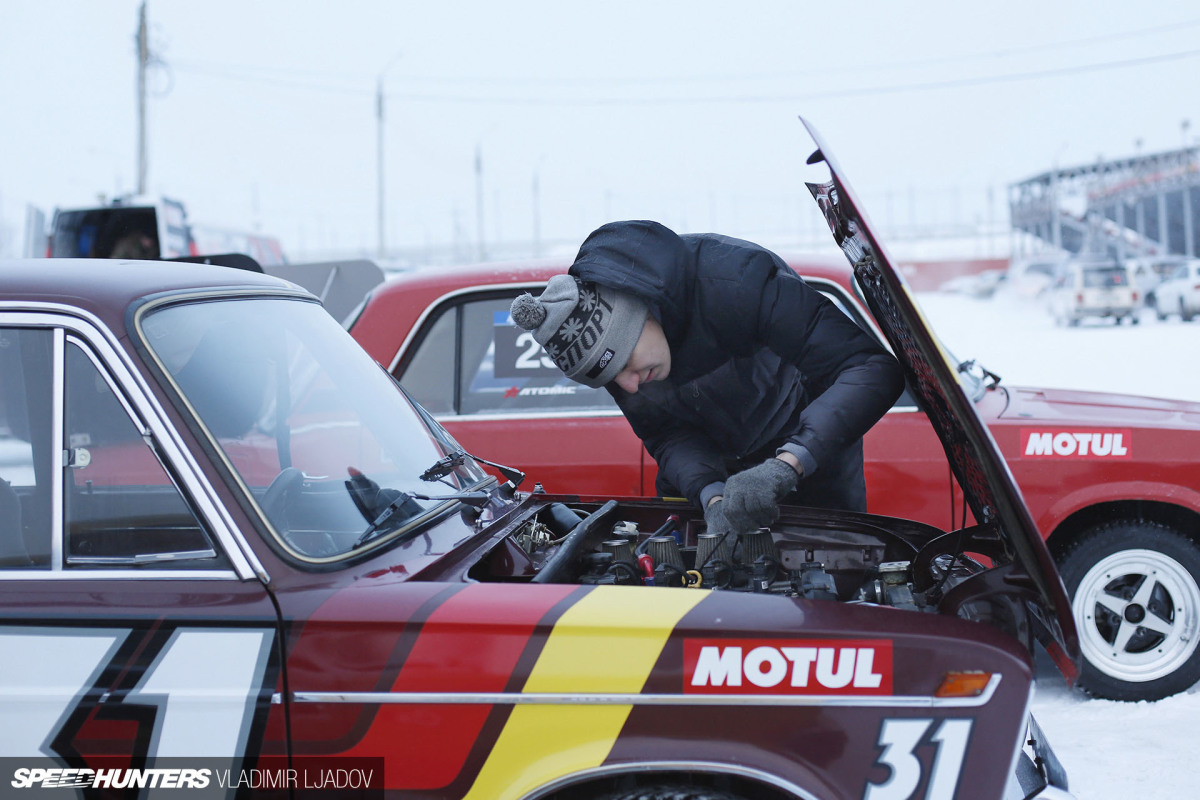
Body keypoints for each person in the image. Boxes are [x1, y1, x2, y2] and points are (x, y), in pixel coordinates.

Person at [509, 220, 905, 538]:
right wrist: (710, 496)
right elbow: (665, 434)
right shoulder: (619, 358)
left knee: (831, 580)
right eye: (612, 380)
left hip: (808, 446)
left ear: (642, 315)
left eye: (625, 365)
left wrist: (787, 465)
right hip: (707, 479)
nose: (628, 386)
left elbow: (869, 367)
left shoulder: (737, 281)